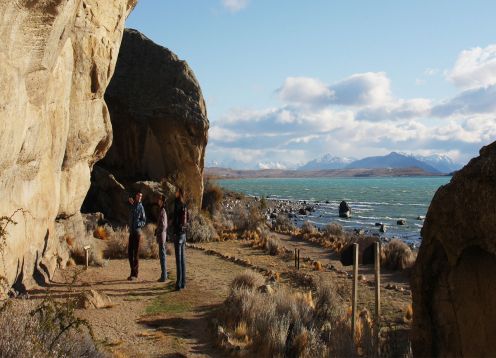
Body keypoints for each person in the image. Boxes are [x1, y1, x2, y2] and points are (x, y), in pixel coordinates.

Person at [128, 191, 146, 281]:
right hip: (131, 232)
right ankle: (132, 272)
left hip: (137, 232)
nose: (140, 197)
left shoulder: (141, 207)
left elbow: (144, 220)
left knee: (136, 253)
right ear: (136, 196)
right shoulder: (132, 205)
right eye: (139, 195)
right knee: (129, 253)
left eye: (141, 196)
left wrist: (138, 224)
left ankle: (135, 274)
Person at [172, 187, 188, 290]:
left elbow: (175, 220)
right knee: (183, 260)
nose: (175, 192)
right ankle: (183, 283)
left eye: (176, 191)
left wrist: (174, 232)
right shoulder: (185, 204)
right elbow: (188, 219)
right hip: (184, 234)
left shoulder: (177, 204)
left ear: (179, 193)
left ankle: (178, 284)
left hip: (178, 234)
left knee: (178, 260)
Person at [155, 194, 168, 282]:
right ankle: (164, 275)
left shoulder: (162, 211)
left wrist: (158, 231)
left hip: (161, 236)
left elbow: (163, 225)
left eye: (160, 200)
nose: (158, 201)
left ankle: (164, 276)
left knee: (162, 256)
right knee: (162, 255)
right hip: (162, 236)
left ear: (162, 202)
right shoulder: (162, 211)